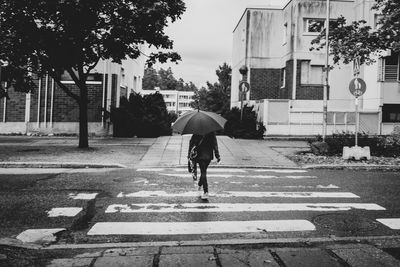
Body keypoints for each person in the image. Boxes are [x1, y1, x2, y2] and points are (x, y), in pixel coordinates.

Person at [188, 132, 221, 200]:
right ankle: (200, 184)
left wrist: (189, 155)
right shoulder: (211, 132)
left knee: (203, 172)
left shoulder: (196, 131)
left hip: (200, 156)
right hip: (208, 156)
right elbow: (215, 144)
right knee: (204, 171)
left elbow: (191, 144)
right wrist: (217, 156)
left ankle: (206, 192)